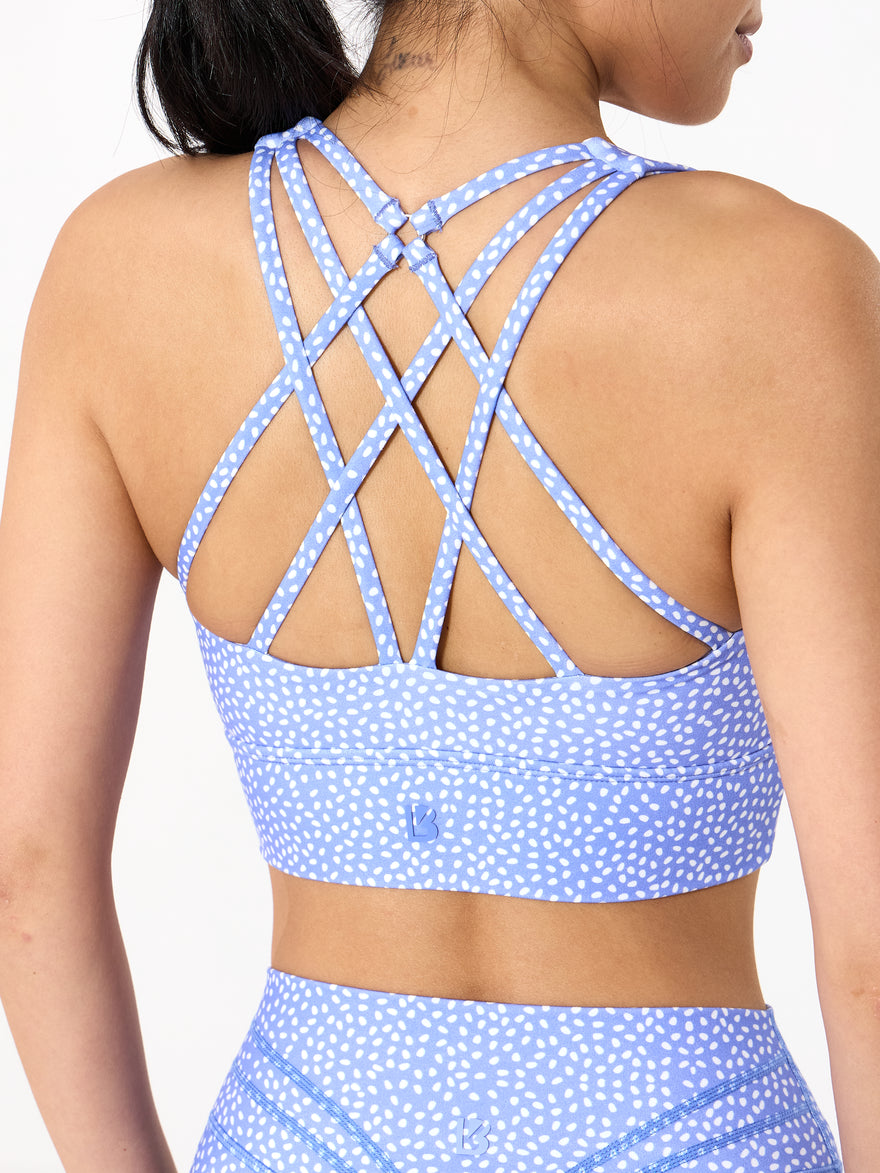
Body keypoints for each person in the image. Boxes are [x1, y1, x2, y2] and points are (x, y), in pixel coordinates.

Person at [0, 0, 878, 1168]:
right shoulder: (780, 290)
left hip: (294, 1136)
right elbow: (868, 945)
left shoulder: (119, 267)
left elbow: (27, 867)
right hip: (693, 1132)